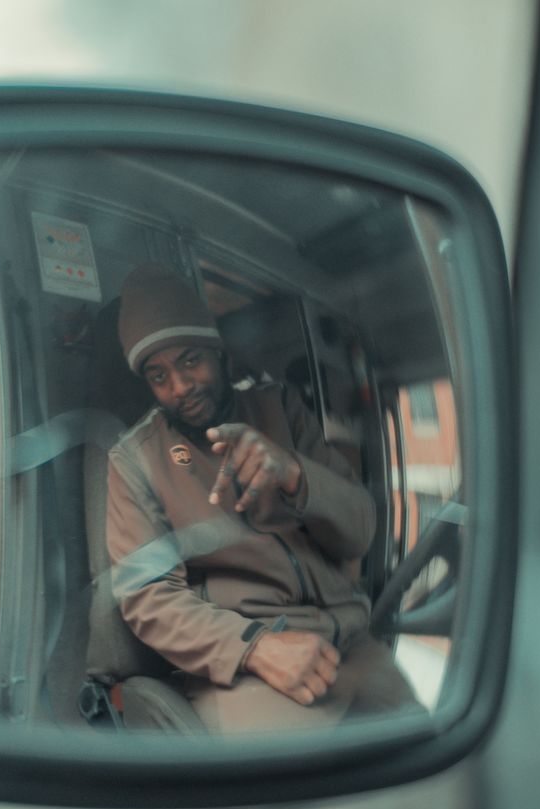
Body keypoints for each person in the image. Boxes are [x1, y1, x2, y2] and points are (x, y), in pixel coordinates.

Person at [104, 264, 419, 733]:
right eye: (158, 375)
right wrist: (254, 646)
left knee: (424, 757)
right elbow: (148, 598)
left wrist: (295, 473)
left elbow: (361, 531)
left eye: (191, 360)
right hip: (250, 665)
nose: (180, 386)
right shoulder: (135, 460)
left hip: (353, 643)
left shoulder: (282, 409)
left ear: (219, 352)